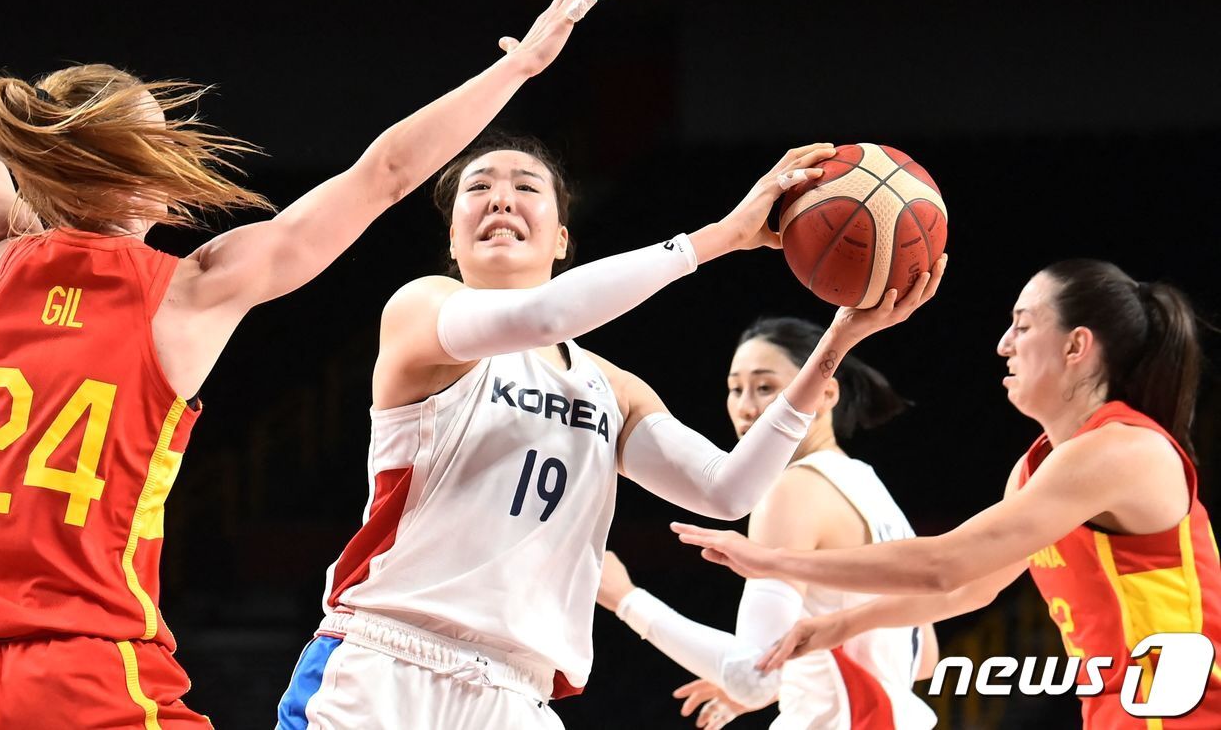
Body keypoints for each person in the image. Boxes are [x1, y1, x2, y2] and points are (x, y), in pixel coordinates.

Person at [0, 0, 602, 730]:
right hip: (85, 674)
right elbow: (386, 174)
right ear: (141, 182)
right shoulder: (191, 291)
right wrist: (518, 71)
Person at [276, 131, 947, 729]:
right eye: (478, 187)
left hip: (516, 692)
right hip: (386, 663)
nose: (500, 197)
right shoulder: (422, 310)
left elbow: (728, 489)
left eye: (525, 186)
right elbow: (542, 317)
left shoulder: (610, 387)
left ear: (563, 237)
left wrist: (838, 338)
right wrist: (719, 235)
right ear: (452, 238)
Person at [675, 260, 1221, 728]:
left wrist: (771, 560)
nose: (1003, 344)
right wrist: (836, 627)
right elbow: (969, 590)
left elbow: (945, 565)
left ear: (1077, 346)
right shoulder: (1039, 471)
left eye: (1023, 326)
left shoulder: (1121, 451)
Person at [597, 315, 939, 729]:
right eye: (735, 389)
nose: (745, 407)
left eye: (765, 387)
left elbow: (752, 677)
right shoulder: (870, 489)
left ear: (826, 392)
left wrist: (626, 599)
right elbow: (923, 657)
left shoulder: (792, 490)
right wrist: (792, 676)